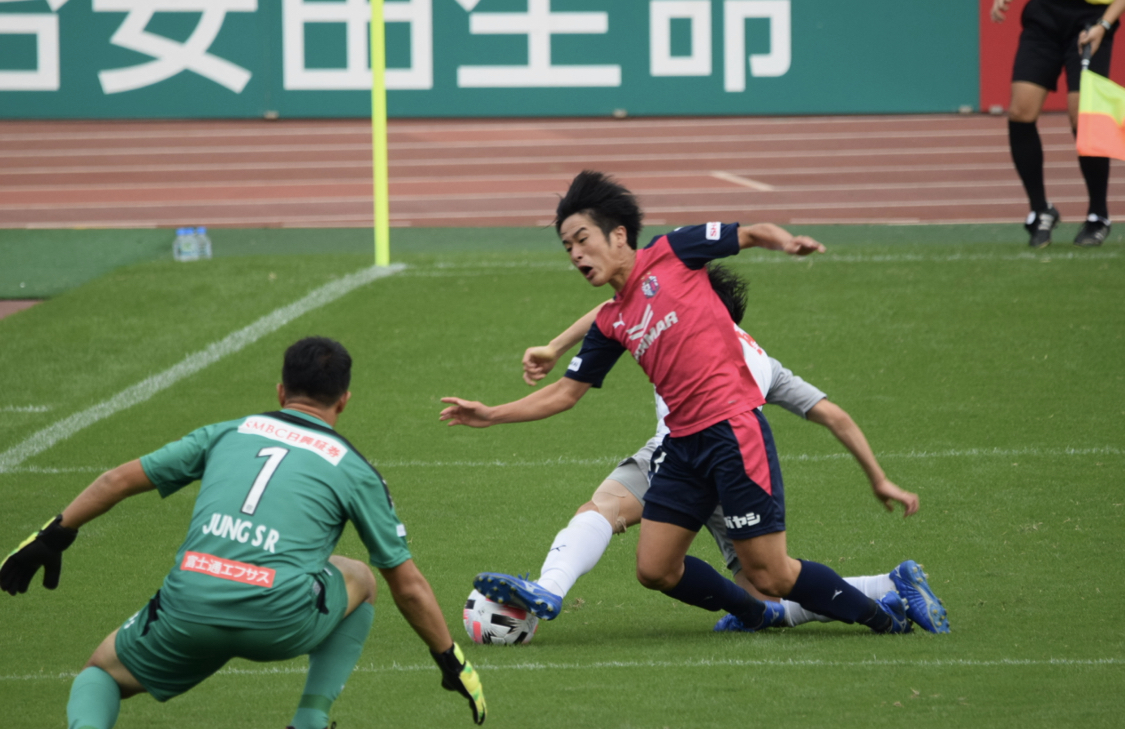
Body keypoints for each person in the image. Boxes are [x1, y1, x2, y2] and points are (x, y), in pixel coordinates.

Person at [441, 170, 913, 638]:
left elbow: (751, 233)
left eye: (582, 239)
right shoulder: (611, 321)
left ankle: (881, 617)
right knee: (655, 569)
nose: (576, 254)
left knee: (772, 575)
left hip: (732, 435)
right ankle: (756, 613)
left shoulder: (674, 251)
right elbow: (566, 393)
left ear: (619, 235)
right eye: (568, 247)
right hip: (682, 447)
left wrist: (786, 243)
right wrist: (492, 414)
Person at [0, 337, 486, 729]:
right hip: (280, 621)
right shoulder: (355, 470)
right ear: (344, 399)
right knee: (359, 576)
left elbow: (116, 481)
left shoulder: (227, 432)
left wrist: (53, 536)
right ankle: (310, 720)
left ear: (280, 391)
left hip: (191, 604)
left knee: (100, 674)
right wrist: (450, 659)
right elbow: (408, 586)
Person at [474, 265, 949, 635]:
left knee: (605, 511)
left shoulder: (680, 331)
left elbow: (614, 309)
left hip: (688, 451)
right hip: (736, 459)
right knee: (766, 588)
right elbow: (834, 415)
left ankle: (550, 588)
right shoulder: (761, 358)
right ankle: (888, 586)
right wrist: (879, 478)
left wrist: (555, 347)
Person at [992, 0, 1125, 247]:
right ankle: (1040, 210)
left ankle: (1098, 215)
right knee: (1021, 111)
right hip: (1044, 15)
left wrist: (1104, 25)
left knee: (1082, 117)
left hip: (1091, 19)